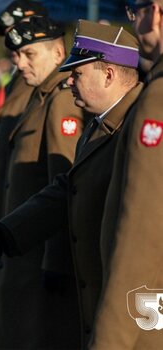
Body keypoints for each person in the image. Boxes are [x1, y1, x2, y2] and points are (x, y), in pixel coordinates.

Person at [0, 19, 142, 349]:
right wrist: (5, 233)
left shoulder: (136, 127)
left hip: (128, 298)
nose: (69, 81)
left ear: (108, 74)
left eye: (77, 74)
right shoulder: (100, 124)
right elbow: (66, 188)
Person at [0, 15, 88, 350]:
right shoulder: (38, 95)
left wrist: (56, 263)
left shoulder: (60, 101)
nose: (20, 62)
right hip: (21, 255)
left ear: (59, 54)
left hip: (37, 261)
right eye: (17, 55)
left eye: (30, 55)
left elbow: (65, 182)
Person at [90, 1, 163, 348]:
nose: (133, 19)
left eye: (136, 9)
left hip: (150, 314)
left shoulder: (158, 99)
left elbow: (141, 233)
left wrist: (110, 340)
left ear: (156, 13)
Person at [0, 0, 48, 325]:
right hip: (8, 217)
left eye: (19, 33)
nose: (14, 44)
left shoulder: (48, 87)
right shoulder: (20, 80)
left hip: (27, 226)